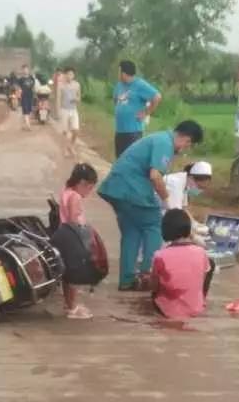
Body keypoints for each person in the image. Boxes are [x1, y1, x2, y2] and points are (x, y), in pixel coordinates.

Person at [98, 120, 204, 289]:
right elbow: (155, 176)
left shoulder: (159, 138)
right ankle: (148, 275)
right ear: (185, 137)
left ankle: (127, 280)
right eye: (187, 144)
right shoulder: (165, 143)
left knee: (132, 232)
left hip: (117, 189)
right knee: (155, 225)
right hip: (131, 189)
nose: (184, 148)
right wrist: (168, 202)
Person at [150, 208, 215, 319]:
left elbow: (154, 286)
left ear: (165, 230)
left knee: (156, 291)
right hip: (196, 308)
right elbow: (201, 279)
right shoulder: (200, 252)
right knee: (210, 264)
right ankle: (200, 300)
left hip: (167, 310)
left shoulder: (159, 255)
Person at [56, 162, 99, 319]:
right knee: (73, 276)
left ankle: (69, 304)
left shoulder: (66, 192)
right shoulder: (75, 197)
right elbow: (74, 219)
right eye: (89, 187)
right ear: (81, 183)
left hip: (64, 236)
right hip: (73, 239)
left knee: (67, 276)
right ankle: (72, 307)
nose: (90, 191)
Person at [113, 60, 162, 157]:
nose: (117, 74)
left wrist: (146, 112)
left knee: (130, 160)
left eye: (119, 71)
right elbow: (115, 99)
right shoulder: (119, 85)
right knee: (119, 160)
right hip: (119, 130)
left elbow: (157, 97)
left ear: (123, 73)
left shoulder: (139, 84)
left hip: (133, 132)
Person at [163, 160, 213, 242]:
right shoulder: (175, 184)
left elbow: (184, 208)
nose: (199, 190)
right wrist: (193, 237)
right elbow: (176, 216)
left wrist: (195, 223)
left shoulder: (185, 183)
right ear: (191, 178)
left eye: (203, 188)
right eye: (199, 187)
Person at [59, 68, 82, 157]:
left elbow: (79, 98)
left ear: (74, 75)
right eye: (68, 74)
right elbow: (59, 98)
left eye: (71, 74)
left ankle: (71, 146)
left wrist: (76, 99)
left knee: (76, 130)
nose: (69, 76)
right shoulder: (62, 85)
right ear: (65, 75)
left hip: (73, 110)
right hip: (64, 110)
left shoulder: (77, 85)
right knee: (65, 132)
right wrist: (59, 110)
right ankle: (65, 149)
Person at [17, 64, 35, 129]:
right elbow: (19, 88)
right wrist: (19, 94)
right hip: (24, 96)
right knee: (26, 110)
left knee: (29, 111)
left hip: (30, 96)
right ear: (22, 71)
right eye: (24, 69)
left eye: (26, 69)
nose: (25, 71)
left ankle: (25, 124)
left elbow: (33, 87)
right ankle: (28, 125)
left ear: (28, 70)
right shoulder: (21, 79)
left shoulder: (31, 78)